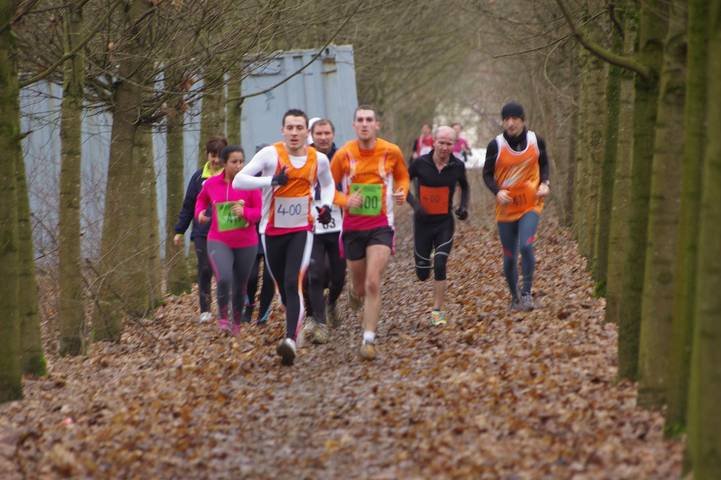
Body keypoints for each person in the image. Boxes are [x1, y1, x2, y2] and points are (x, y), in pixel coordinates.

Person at [232, 109, 336, 366]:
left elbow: (328, 184)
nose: (294, 132)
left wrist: (326, 206)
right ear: (282, 131)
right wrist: (271, 181)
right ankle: (296, 321)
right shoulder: (270, 154)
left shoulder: (318, 159)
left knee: (292, 280)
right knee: (283, 288)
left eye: (299, 128)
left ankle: (289, 340)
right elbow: (238, 181)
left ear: (306, 132)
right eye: (289, 128)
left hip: (302, 229)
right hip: (271, 231)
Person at [331, 105, 410, 360]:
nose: (365, 124)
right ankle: (354, 293)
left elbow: (403, 178)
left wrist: (402, 192)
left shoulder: (391, 151)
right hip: (353, 227)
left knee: (373, 281)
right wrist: (345, 200)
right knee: (360, 287)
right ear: (354, 125)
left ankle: (368, 339)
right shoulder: (343, 155)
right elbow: (328, 189)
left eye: (369, 120)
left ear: (377, 125)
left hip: (381, 225)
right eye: (360, 120)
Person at [483, 102, 550, 311]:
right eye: (506, 119)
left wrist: (545, 183)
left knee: (526, 246)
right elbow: (486, 174)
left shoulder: (536, 140)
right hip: (506, 209)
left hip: (530, 204)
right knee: (510, 256)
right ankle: (515, 297)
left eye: (515, 119)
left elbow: (544, 163)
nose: (510, 123)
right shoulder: (496, 145)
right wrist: (497, 191)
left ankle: (527, 293)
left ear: (522, 120)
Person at [195, 145, 262, 336]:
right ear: (224, 163)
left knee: (240, 284)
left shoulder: (250, 185)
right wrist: (200, 213)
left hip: (246, 242)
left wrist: (245, 212)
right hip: (219, 240)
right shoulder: (211, 184)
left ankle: (237, 323)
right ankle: (223, 318)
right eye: (234, 162)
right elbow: (201, 200)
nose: (239, 166)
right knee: (224, 277)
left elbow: (259, 212)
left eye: (241, 161)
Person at [406, 126, 470, 325]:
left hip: (444, 223)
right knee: (422, 274)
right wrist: (415, 205)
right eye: (441, 142)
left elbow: (465, 186)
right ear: (433, 142)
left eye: (449, 143)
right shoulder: (419, 163)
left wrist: (463, 207)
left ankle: (437, 312)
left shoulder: (458, 166)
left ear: (454, 145)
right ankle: (423, 264)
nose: (444, 147)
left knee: (441, 263)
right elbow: (402, 183)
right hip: (422, 224)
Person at [174, 136, 227, 323]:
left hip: (226, 233)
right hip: (202, 232)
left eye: (219, 156)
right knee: (205, 268)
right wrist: (179, 230)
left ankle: (225, 307)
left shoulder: (232, 176)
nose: (216, 160)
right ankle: (205, 309)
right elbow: (188, 205)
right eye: (213, 155)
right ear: (207, 155)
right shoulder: (198, 178)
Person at [303, 118, 345, 344]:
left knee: (338, 276)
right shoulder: (304, 157)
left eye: (327, 133)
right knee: (315, 273)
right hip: (311, 224)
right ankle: (318, 322)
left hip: (338, 223)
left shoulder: (342, 157)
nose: (323, 137)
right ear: (312, 135)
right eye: (318, 133)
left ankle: (331, 303)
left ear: (333, 135)